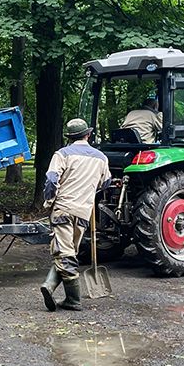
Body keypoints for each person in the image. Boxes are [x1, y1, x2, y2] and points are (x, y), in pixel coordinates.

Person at [40, 119, 111, 312]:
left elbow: (51, 180)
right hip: (83, 212)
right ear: (88, 134)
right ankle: (49, 286)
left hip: (63, 209)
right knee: (68, 251)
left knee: (64, 253)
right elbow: (106, 182)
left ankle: (73, 299)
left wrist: (49, 201)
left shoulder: (62, 154)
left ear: (70, 137)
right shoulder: (101, 158)